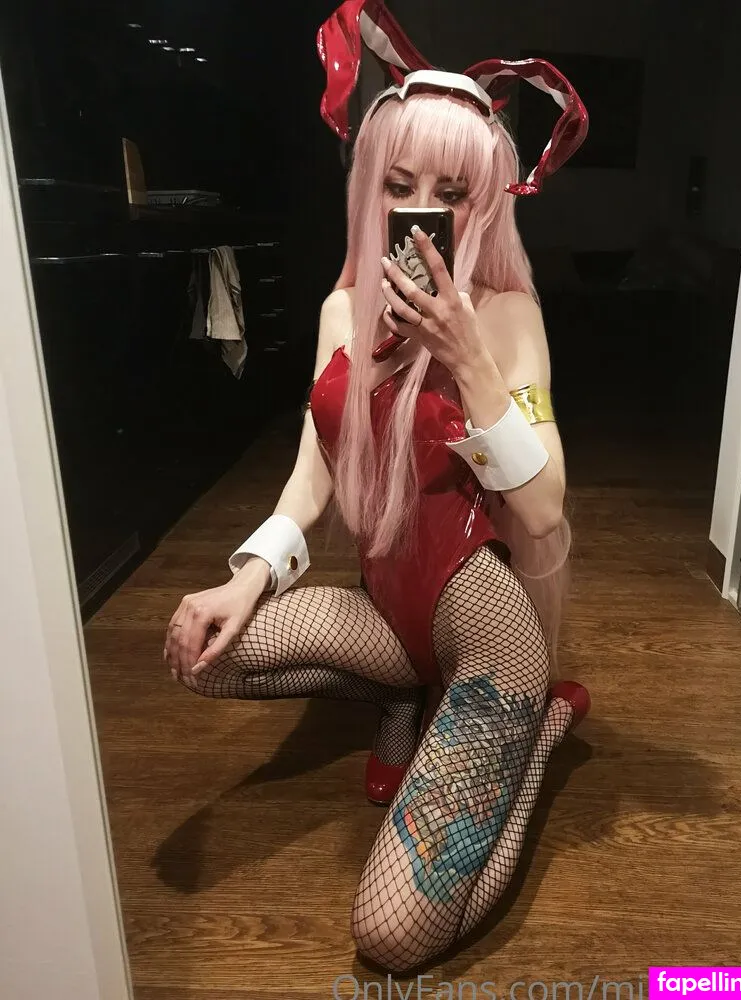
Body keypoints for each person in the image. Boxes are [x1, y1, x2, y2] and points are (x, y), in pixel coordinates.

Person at [164, 0, 591, 972]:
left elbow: (543, 509)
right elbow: (313, 474)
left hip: (486, 626)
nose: (422, 208)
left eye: (451, 190)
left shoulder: (507, 316)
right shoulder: (339, 311)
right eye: (400, 185)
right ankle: (401, 697)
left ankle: (540, 729)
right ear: (372, 191)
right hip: (386, 610)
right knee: (199, 652)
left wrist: (468, 360)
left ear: (485, 202)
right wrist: (245, 575)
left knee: (392, 932)